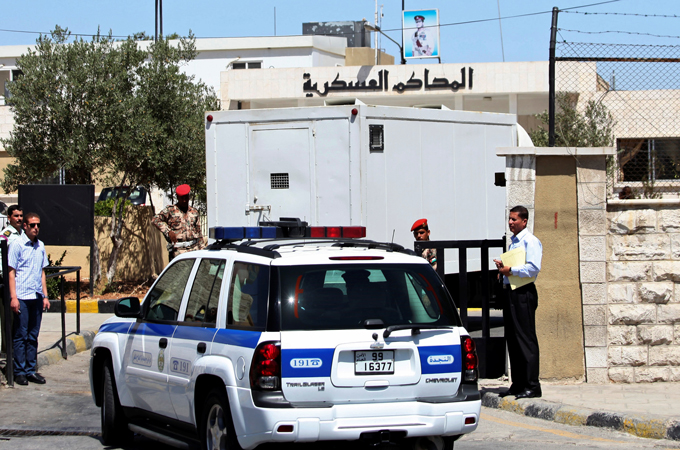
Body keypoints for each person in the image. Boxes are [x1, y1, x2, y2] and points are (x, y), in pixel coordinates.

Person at [493, 206, 542, 399]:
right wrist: (503, 269)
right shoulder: (514, 242)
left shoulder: (530, 241)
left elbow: (533, 268)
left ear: (524, 221)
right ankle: (518, 383)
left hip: (523, 293)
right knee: (513, 339)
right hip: (511, 292)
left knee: (525, 338)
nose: (510, 222)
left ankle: (532, 385)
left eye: (514, 219)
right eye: (510, 219)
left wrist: (511, 270)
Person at [8, 212, 49, 386]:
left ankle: (31, 370)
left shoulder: (40, 245)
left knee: (33, 335)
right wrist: (14, 297)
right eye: (32, 225)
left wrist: (45, 295)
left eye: (38, 225)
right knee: (21, 334)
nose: (36, 228)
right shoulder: (17, 245)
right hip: (22, 296)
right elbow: (11, 272)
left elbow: (42, 272)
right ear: (25, 226)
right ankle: (19, 371)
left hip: (36, 296)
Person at [152, 184, 206, 261]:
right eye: (182, 198)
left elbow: (199, 232)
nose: (184, 200)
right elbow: (155, 220)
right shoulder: (171, 210)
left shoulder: (194, 212)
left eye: (186, 197)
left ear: (189, 197)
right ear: (177, 197)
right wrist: (168, 231)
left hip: (194, 250)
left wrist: (202, 250)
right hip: (178, 252)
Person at [1, 205, 24, 355]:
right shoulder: (7, 234)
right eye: (16, 216)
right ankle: (7, 352)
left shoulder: (21, 233)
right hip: (7, 280)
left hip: (18, 280)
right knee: (8, 318)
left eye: (21, 215)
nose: (19, 218)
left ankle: (15, 350)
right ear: (9, 218)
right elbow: (1, 255)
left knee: (17, 317)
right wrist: (3, 274)